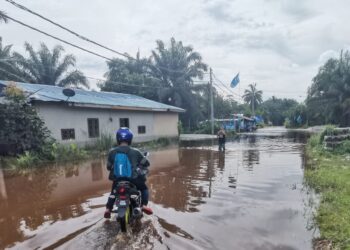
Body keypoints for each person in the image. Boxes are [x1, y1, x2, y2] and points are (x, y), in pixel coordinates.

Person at [104, 127, 153, 218]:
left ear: (118, 139)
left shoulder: (112, 152)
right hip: (133, 179)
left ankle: (108, 209)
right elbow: (146, 163)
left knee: (113, 192)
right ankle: (144, 205)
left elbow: (108, 167)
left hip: (118, 180)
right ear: (130, 139)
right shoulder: (136, 151)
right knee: (144, 189)